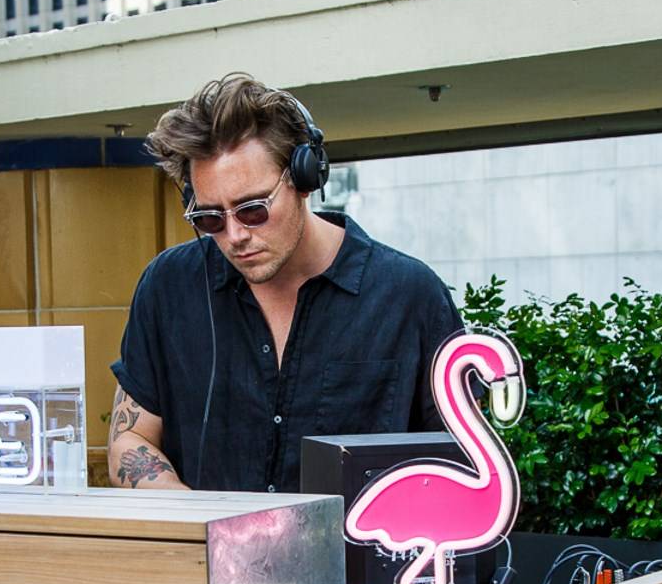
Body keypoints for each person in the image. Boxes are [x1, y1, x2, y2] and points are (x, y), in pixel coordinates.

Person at [108, 73, 463, 493]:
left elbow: (458, 464)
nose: (235, 235)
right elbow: (130, 438)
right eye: (210, 218)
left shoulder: (410, 296)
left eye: (253, 209)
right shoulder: (168, 287)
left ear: (304, 178)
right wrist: (201, 520)